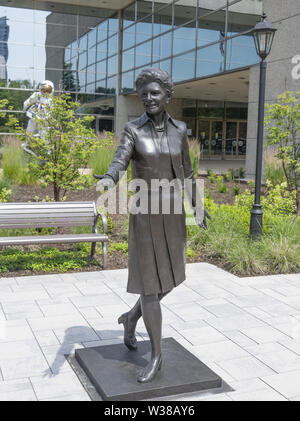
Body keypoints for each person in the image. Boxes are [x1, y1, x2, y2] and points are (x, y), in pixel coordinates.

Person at [95, 68, 209, 383]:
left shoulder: (180, 130)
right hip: (144, 213)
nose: (149, 98)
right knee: (148, 285)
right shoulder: (133, 130)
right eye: (144, 93)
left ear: (167, 96)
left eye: (154, 93)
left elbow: (186, 172)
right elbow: (120, 160)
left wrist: (197, 205)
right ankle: (156, 355)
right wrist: (109, 177)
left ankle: (130, 319)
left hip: (172, 213)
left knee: (171, 279)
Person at [22, 80, 54, 158]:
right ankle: (27, 144)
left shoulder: (51, 100)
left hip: (44, 120)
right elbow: (27, 102)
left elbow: (52, 112)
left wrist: (47, 119)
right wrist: (25, 108)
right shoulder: (37, 95)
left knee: (44, 134)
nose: (45, 92)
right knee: (29, 130)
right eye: (43, 89)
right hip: (34, 116)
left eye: (47, 90)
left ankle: (48, 151)